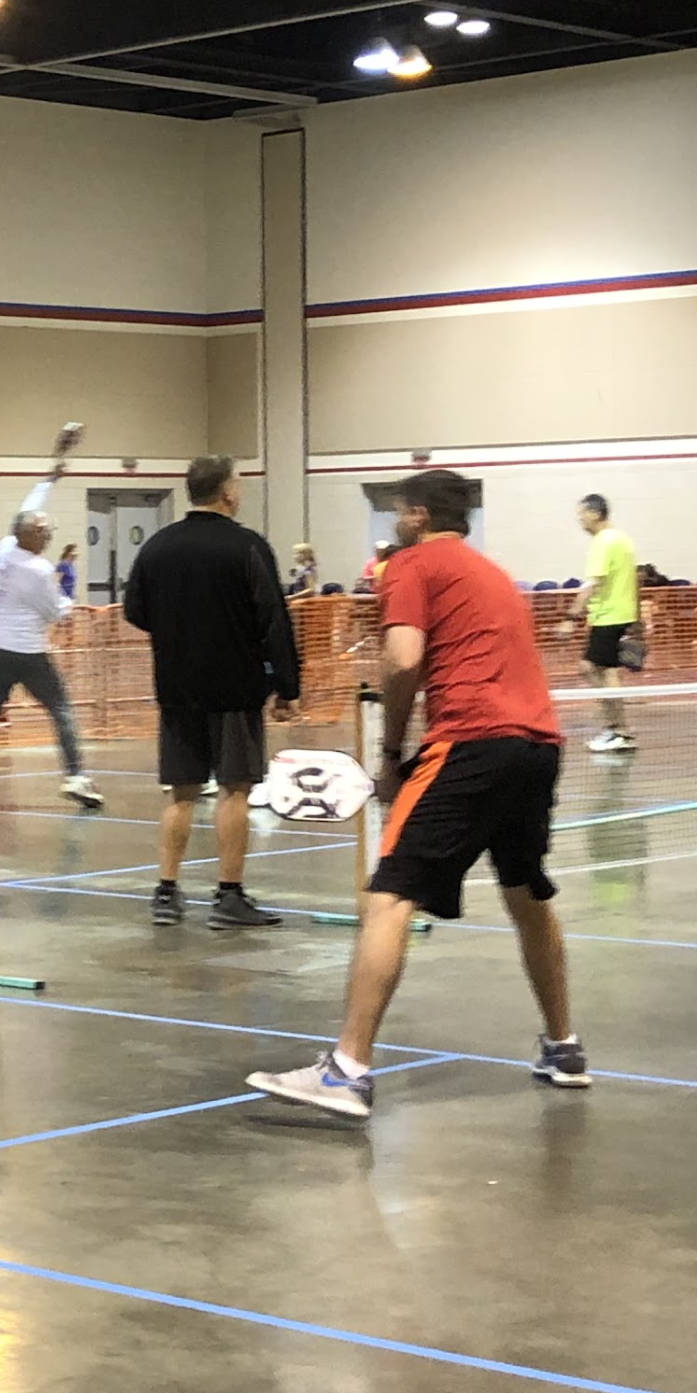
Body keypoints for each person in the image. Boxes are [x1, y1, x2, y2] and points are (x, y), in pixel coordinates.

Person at [247, 469, 585, 1119]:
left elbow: (403, 659)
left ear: (420, 516)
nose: (395, 522)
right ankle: (564, 1048)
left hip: (470, 742)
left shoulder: (410, 565)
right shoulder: (493, 575)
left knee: (390, 895)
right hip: (538, 747)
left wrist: (391, 753)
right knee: (526, 892)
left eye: (400, 511)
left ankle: (346, 1071)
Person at [122, 455, 300, 930]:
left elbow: (134, 610)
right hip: (235, 688)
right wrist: (287, 686)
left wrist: (177, 630)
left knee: (180, 793)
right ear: (227, 492)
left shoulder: (157, 547)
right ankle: (229, 895)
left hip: (177, 686)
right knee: (235, 790)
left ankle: (166, 892)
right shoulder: (247, 546)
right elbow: (273, 619)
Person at [0, 477, 104, 810]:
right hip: (27, 652)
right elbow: (54, 613)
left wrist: (49, 479)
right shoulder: (39, 569)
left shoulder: (6, 548)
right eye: (42, 531)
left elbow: (27, 508)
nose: (47, 535)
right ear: (27, 534)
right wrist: (69, 600)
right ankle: (76, 776)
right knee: (61, 708)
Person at [562, 494, 637, 753]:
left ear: (595, 514)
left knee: (594, 669)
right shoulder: (621, 539)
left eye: (582, 514)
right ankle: (619, 730)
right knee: (603, 670)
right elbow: (633, 580)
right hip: (620, 615)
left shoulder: (602, 542)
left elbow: (592, 584)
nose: (580, 519)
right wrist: (636, 620)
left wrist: (570, 618)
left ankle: (618, 730)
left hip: (608, 617)